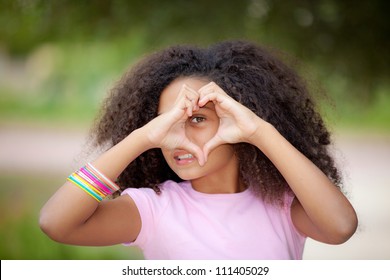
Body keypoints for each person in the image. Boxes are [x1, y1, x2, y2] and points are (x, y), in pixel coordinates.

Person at [39, 40, 358, 259]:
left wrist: (260, 132)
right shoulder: (153, 210)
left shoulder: (283, 206)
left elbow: (341, 227)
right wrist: (142, 138)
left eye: (196, 118)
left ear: (238, 117)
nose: (177, 137)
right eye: (165, 122)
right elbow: (55, 222)